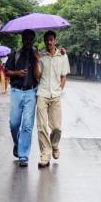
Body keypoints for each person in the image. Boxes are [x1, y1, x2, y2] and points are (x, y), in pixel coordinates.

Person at [5, 29, 41, 167]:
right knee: (14, 124)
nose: (28, 41)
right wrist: (17, 73)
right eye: (26, 38)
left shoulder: (36, 55)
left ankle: (23, 156)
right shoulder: (15, 54)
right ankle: (17, 143)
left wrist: (37, 61)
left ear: (33, 40)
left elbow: (39, 75)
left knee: (27, 125)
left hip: (31, 92)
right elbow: (6, 71)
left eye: (31, 39)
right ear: (22, 38)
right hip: (16, 92)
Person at [35, 30, 70, 168]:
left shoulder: (62, 56)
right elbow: (37, 76)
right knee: (41, 126)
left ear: (55, 40)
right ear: (44, 41)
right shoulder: (41, 56)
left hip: (55, 95)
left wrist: (60, 90)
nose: (49, 42)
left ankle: (54, 145)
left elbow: (63, 76)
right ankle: (45, 153)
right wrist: (37, 61)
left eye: (51, 40)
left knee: (56, 127)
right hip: (42, 93)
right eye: (47, 40)